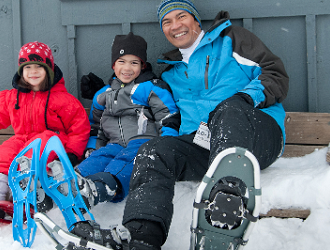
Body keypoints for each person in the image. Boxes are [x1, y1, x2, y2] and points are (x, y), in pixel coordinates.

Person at [69, 1, 289, 249]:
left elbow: (275, 74)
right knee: (152, 150)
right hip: (204, 144)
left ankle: (228, 204)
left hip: (254, 134)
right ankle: (141, 235)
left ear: (195, 20)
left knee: (228, 109)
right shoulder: (170, 75)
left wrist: (246, 98)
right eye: (167, 22)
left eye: (181, 16)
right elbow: (144, 98)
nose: (175, 26)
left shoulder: (233, 39)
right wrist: (109, 88)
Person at [0, 41, 90, 219]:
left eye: (38, 67)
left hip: (51, 142)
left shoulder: (63, 100)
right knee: (4, 151)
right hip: (22, 139)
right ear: (21, 71)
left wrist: (72, 153)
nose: (33, 72)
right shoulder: (13, 97)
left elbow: (78, 127)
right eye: (28, 67)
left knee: (39, 144)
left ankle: (28, 192)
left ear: (48, 69)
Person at [74, 32, 179, 209]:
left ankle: (105, 186)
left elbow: (167, 116)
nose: (127, 68)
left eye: (134, 62)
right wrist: (93, 148)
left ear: (142, 65)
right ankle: (72, 184)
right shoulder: (103, 95)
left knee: (127, 159)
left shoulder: (151, 87)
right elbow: (96, 126)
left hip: (143, 142)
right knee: (100, 157)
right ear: (113, 65)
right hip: (114, 143)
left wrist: (165, 145)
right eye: (121, 62)